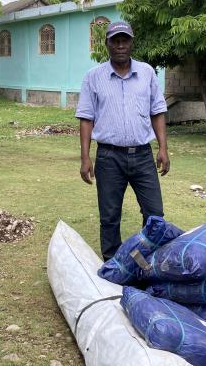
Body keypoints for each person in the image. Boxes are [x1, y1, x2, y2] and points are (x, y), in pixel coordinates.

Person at [75, 21, 170, 261]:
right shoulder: (93, 77)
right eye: (114, 41)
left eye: (124, 40)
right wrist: (86, 158)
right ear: (107, 44)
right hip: (108, 157)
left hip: (142, 155)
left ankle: (150, 260)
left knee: (154, 213)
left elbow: (157, 111)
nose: (120, 45)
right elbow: (86, 118)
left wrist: (163, 148)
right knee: (109, 216)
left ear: (131, 43)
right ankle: (112, 264)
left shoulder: (147, 72)